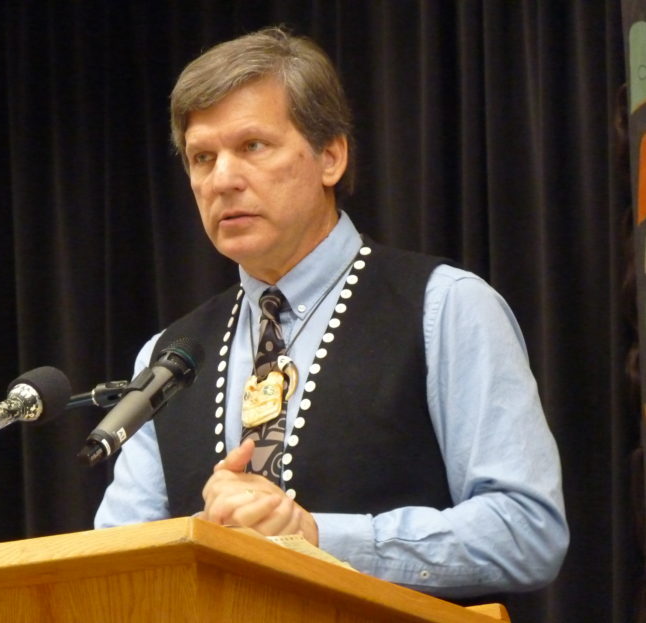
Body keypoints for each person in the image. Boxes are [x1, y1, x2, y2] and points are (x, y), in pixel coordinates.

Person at [95, 26, 569, 599]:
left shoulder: (444, 306)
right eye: (202, 157)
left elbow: (526, 531)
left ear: (331, 156)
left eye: (252, 146)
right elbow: (118, 567)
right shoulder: (168, 356)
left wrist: (316, 536)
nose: (222, 179)